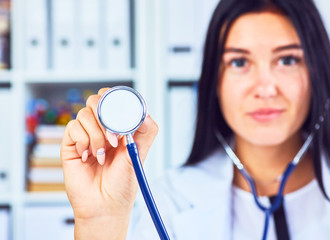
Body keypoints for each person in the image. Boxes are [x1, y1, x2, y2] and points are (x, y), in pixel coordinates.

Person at [61, 0, 330, 239]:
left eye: (287, 60)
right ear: (215, 81)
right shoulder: (170, 200)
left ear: (319, 71)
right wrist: (101, 223)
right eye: (238, 62)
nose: (265, 88)